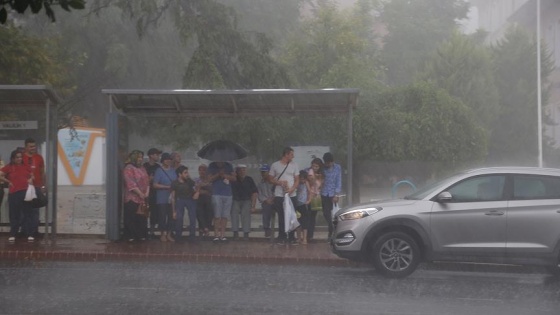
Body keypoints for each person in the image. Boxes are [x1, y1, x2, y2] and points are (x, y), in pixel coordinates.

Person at [268, 147, 299, 245]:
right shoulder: (275, 165)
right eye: (291, 154)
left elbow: (297, 179)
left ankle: (291, 236)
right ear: (286, 154)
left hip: (291, 194)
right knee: (281, 215)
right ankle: (281, 236)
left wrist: (292, 189)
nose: (293, 156)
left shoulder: (294, 165)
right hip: (279, 194)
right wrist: (279, 182)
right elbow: (270, 179)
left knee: (291, 215)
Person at [0, 150, 33, 242]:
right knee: (14, 214)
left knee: (27, 213)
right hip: (14, 193)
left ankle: (28, 233)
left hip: (26, 192)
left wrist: (30, 179)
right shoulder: (9, 167)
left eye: (20, 157)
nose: (19, 159)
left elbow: (32, 175)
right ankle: (13, 233)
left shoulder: (26, 166)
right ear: (13, 158)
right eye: (17, 157)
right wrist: (8, 182)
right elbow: (0, 175)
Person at [122, 150, 150, 242]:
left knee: (141, 218)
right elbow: (130, 183)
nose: (140, 159)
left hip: (143, 198)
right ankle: (131, 236)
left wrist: (146, 193)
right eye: (138, 157)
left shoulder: (142, 168)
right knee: (131, 218)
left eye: (141, 157)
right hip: (132, 198)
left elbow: (147, 181)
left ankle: (141, 236)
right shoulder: (129, 168)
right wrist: (140, 193)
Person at [21, 138, 45, 240]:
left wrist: (43, 185)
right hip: (24, 187)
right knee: (24, 209)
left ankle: (34, 231)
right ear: (26, 147)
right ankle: (25, 231)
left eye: (34, 146)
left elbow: (42, 172)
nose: (33, 148)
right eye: (31, 146)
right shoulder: (21, 157)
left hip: (37, 186)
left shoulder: (39, 158)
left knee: (35, 210)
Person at [208, 161, 236, 242]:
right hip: (216, 193)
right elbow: (209, 179)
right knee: (217, 215)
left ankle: (223, 235)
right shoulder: (212, 165)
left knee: (225, 215)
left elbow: (234, 178)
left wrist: (224, 175)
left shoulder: (229, 165)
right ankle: (216, 235)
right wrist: (218, 174)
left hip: (227, 193)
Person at [153, 152, 177, 242]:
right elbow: (155, 185)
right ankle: (162, 234)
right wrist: (167, 187)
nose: (168, 161)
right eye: (166, 159)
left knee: (171, 216)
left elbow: (176, 182)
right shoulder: (159, 170)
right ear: (163, 160)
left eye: (170, 159)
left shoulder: (173, 170)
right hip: (161, 197)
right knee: (162, 216)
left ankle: (169, 234)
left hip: (172, 198)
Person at [170, 165, 198, 242]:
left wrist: (197, 193)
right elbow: (173, 197)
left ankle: (192, 236)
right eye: (185, 173)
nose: (187, 174)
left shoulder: (189, 181)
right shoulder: (175, 183)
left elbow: (196, 186)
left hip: (190, 200)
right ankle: (178, 237)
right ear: (180, 174)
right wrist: (173, 211)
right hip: (179, 200)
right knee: (179, 218)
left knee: (192, 218)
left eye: (187, 172)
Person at [231, 164, 258, 240]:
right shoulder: (233, 179)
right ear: (237, 171)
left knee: (246, 213)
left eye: (244, 170)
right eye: (240, 170)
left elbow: (254, 192)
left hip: (246, 200)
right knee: (234, 212)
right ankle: (235, 232)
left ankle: (246, 233)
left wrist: (253, 206)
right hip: (235, 199)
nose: (242, 172)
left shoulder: (249, 179)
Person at [321, 152, 342, 239]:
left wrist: (336, 194)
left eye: (329, 163)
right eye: (326, 163)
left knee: (334, 213)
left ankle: (334, 231)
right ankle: (331, 227)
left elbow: (338, 180)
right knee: (326, 212)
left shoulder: (337, 167)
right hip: (324, 192)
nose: (328, 164)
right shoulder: (322, 168)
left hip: (333, 193)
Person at [143, 148, 162, 239]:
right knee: (144, 211)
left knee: (154, 212)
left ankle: (152, 231)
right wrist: (148, 180)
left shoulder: (158, 167)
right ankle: (143, 230)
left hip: (155, 193)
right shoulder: (144, 166)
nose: (158, 156)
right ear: (151, 155)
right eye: (156, 154)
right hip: (144, 192)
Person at [306, 158, 324, 242]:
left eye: (316, 166)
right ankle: (308, 236)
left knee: (313, 217)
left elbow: (321, 184)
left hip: (317, 196)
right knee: (309, 216)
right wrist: (314, 177)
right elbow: (311, 182)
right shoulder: (310, 172)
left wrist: (320, 178)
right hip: (311, 195)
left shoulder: (321, 173)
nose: (315, 168)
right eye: (313, 166)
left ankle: (310, 236)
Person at [194, 164, 213, 237]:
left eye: (204, 170)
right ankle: (203, 229)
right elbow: (195, 189)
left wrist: (201, 186)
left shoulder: (209, 180)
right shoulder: (196, 179)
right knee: (199, 214)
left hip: (208, 200)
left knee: (209, 213)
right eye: (200, 170)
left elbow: (211, 189)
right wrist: (204, 189)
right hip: (199, 199)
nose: (202, 172)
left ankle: (207, 228)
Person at [256, 164, 274, 238]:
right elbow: (259, 195)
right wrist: (266, 200)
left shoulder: (274, 182)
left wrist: (272, 199)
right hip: (266, 202)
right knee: (265, 208)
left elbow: (277, 192)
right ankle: (266, 228)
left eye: (265, 172)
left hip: (275, 201)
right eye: (262, 172)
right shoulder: (260, 184)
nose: (263, 173)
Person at [295, 170, 312, 245]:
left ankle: (304, 238)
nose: (302, 180)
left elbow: (309, 192)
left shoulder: (306, 183)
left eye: (304, 179)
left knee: (305, 222)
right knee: (297, 222)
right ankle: (298, 238)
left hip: (303, 204)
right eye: (301, 179)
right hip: (297, 204)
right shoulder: (296, 183)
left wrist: (308, 200)